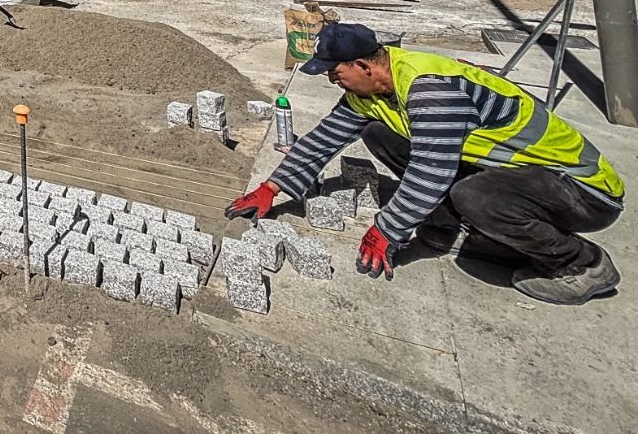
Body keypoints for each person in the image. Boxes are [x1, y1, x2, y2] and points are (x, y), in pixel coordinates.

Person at [226, 22, 624, 305]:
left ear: (364, 66)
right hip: (514, 174)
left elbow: (430, 172)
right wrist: (273, 187)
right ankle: (449, 225)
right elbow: (324, 138)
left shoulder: (430, 90)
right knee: (379, 132)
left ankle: (581, 264)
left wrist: (388, 230)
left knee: (474, 195)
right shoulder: (376, 88)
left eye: (336, 72)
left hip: (579, 188)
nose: (332, 80)